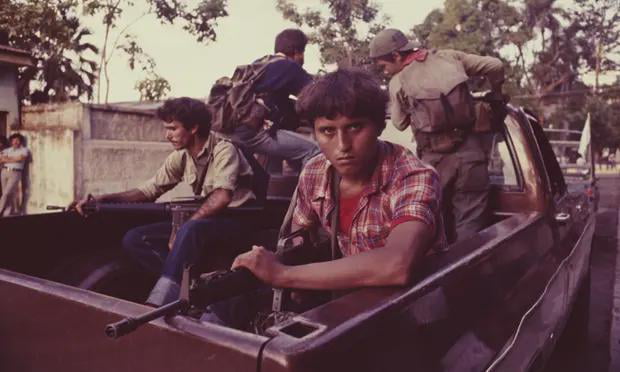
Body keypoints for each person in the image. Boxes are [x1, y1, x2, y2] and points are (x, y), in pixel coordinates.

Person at [213, 69, 444, 329]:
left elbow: (397, 264)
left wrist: (284, 275)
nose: (343, 145)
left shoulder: (413, 176)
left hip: (414, 313)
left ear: (379, 125)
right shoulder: (314, 171)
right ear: (314, 133)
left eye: (355, 127)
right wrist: (266, 264)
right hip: (349, 305)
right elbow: (297, 241)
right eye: (327, 131)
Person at [71, 97, 255, 306]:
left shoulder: (224, 150)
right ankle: (188, 290)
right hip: (204, 221)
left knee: (189, 229)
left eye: (173, 128)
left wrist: (184, 225)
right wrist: (104, 198)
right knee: (135, 238)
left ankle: (159, 303)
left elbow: (222, 196)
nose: (167, 135)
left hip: (237, 222)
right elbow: (150, 190)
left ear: (194, 128)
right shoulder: (181, 156)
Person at [369, 28, 506, 243]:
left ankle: (439, 274)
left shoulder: (398, 82)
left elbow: (399, 123)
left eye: (384, 66)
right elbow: (495, 66)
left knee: (433, 223)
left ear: (396, 56)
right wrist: (496, 93)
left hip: (434, 163)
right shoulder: (450, 57)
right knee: (470, 220)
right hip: (471, 156)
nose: (385, 71)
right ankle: (465, 271)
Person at [228, 28, 320, 174]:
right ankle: (309, 195)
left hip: (236, 132)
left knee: (276, 158)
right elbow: (319, 95)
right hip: (256, 133)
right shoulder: (289, 67)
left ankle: (275, 194)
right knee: (315, 151)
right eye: (303, 53)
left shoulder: (260, 64)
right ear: (297, 52)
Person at [0, 133, 30, 216]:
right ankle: (7, 213)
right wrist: (13, 159)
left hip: (15, 172)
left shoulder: (24, 150)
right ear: (11, 141)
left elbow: (20, 159)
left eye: (17, 140)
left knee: (6, 193)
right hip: (4, 172)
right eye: (14, 140)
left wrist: (7, 159)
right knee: (6, 194)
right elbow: (1, 160)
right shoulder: (7, 150)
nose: (15, 142)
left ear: (20, 141)